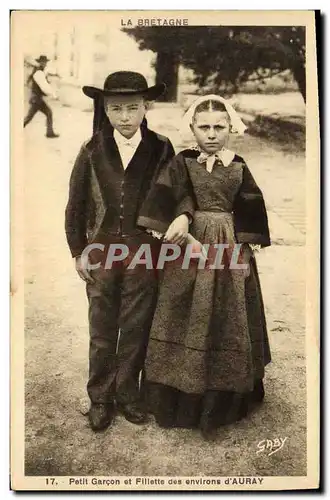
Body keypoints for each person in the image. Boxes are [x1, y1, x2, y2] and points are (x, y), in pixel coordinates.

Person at [65, 71, 193, 432]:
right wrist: (78, 250)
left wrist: (183, 215)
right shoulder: (91, 150)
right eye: (116, 109)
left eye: (132, 108)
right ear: (105, 109)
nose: (124, 117)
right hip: (102, 249)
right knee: (102, 325)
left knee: (136, 324)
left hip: (144, 249)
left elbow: (180, 189)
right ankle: (100, 398)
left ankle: (127, 394)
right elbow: (76, 204)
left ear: (146, 107)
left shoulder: (161, 146)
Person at [138, 94, 271, 438]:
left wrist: (245, 242)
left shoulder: (238, 164)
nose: (211, 134)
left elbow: (251, 201)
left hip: (228, 248)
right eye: (204, 127)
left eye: (218, 127)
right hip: (189, 247)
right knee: (185, 308)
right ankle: (178, 391)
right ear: (192, 129)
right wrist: (179, 222)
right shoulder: (182, 162)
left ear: (230, 128)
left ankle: (224, 394)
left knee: (228, 312)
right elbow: (168, 194)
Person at [24, 55, 59, 138]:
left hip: (36, 99)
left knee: (48, 113)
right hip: (36, 100)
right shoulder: (39, 73)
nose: (45, 64)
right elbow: (44, 87)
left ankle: (49, 133)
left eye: (46, 62)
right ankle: (49, 133)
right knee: (29, 117)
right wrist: (54, 95)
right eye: (44, 62)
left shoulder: (39, 72)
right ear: (40, 63)